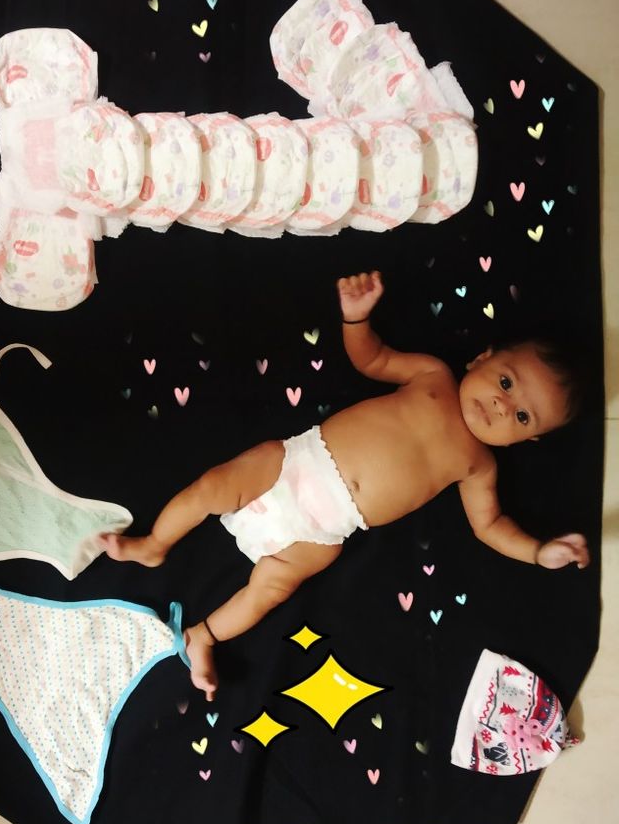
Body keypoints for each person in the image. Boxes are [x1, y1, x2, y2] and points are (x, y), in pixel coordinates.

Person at [99, 270, 590, 701]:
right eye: (506, 382)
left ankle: (203, 636)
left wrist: (538, 551)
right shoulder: (432, 375)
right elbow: (372, 361)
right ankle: (155, 544)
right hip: (293, 465)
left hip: (326, 532)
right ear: (481, 358)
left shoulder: (479, 466)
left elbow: (491, 526)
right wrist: (356, 321)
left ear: (529, 437)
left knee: (270, 589)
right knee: (210, 488)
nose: (503, 407)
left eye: (522, 416)